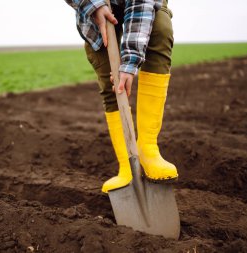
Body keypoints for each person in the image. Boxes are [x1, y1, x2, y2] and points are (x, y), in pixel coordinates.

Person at [65, 0, 178, 193]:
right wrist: (94, 5)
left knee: (160, 28)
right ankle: (127, 165)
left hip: (143, 5)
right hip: (92, 8)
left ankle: (148, 149)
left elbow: (142, 5)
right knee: (108, 74)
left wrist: (130, 62)